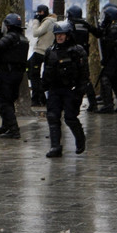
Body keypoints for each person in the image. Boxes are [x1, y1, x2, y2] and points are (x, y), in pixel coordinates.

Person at [41, 20, 88, 157]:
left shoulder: (78, 51)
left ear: (68, 35)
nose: (59, 37)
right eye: (57, 35)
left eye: (62, 34)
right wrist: (42, 89)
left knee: (70, 118)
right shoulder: (50, 51)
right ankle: (55, 146)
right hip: (55, 89)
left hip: (70, 90)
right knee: (53, 117)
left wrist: (79, 91)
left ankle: (80, 139)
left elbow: (84, 73)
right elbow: (46, 71)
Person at [0, 13, 29, 138]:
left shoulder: (11, 37)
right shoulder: (22, 39)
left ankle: (14, 129)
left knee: (3, 103)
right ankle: (7, 126)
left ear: (8, 26)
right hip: (15, 74)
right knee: (6, 102)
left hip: (8, 74)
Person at [97, 4, 117, 114]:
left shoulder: (114, 28)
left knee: (105, 78)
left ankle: (108, 104)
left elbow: (109, 44)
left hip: (113, 58)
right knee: (116, 80)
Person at [28, 4, 57, 106]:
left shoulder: (48, 22)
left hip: (41, 51)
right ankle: (37, 98)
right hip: (46, 50)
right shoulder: (52, 21)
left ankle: (40, 98)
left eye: (39, 12)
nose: (38, 14)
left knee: (33, 74)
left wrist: (35, 22)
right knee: (34, 73)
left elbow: (36, 33)